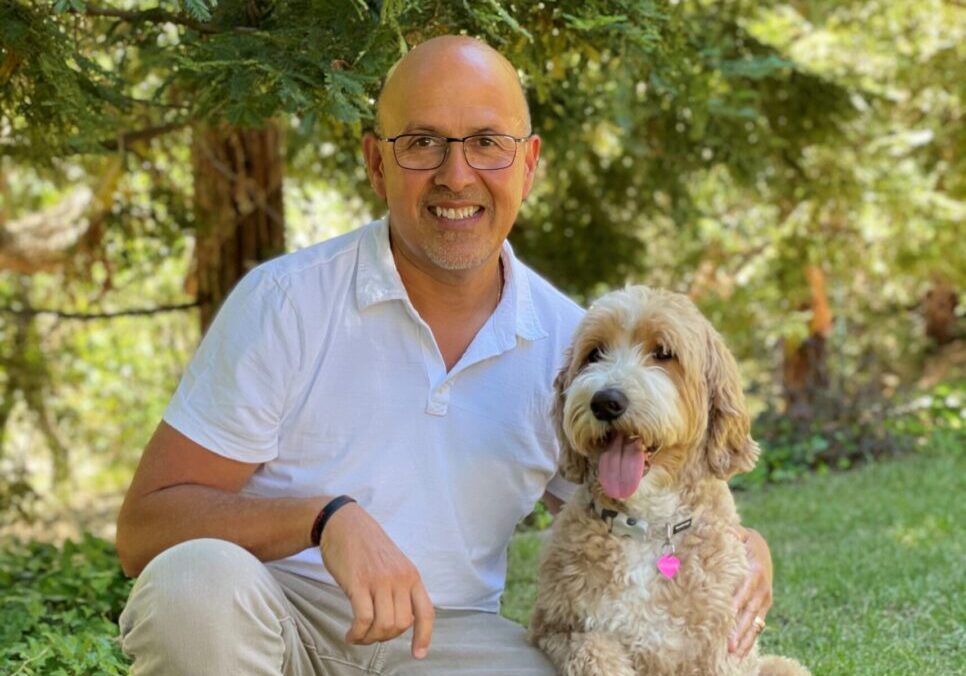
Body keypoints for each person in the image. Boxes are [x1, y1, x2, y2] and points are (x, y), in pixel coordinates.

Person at [116, 35, 774, 675]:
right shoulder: (286, 304)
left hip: (447, 640)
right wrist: (322, 521)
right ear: (377, 163)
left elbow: (636, 497)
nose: (456, 175)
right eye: (422, 143)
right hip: (275, 618)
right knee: (190, 585)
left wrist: (744, 547)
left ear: (528, 163)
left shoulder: (575, 349)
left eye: (487, 143)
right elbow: (147, 526)